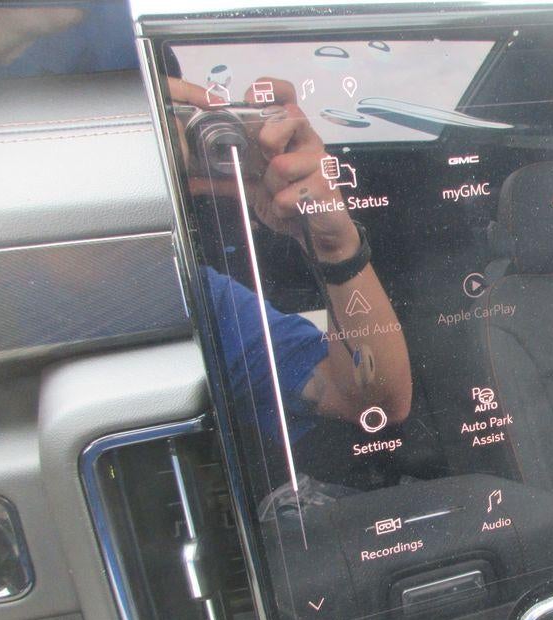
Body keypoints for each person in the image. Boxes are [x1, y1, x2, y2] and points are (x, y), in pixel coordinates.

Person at [167, 76, 412, 459]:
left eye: (180, 128)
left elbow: (373, 403)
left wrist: (335, 247)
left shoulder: (204, 302)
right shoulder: (199, 300)